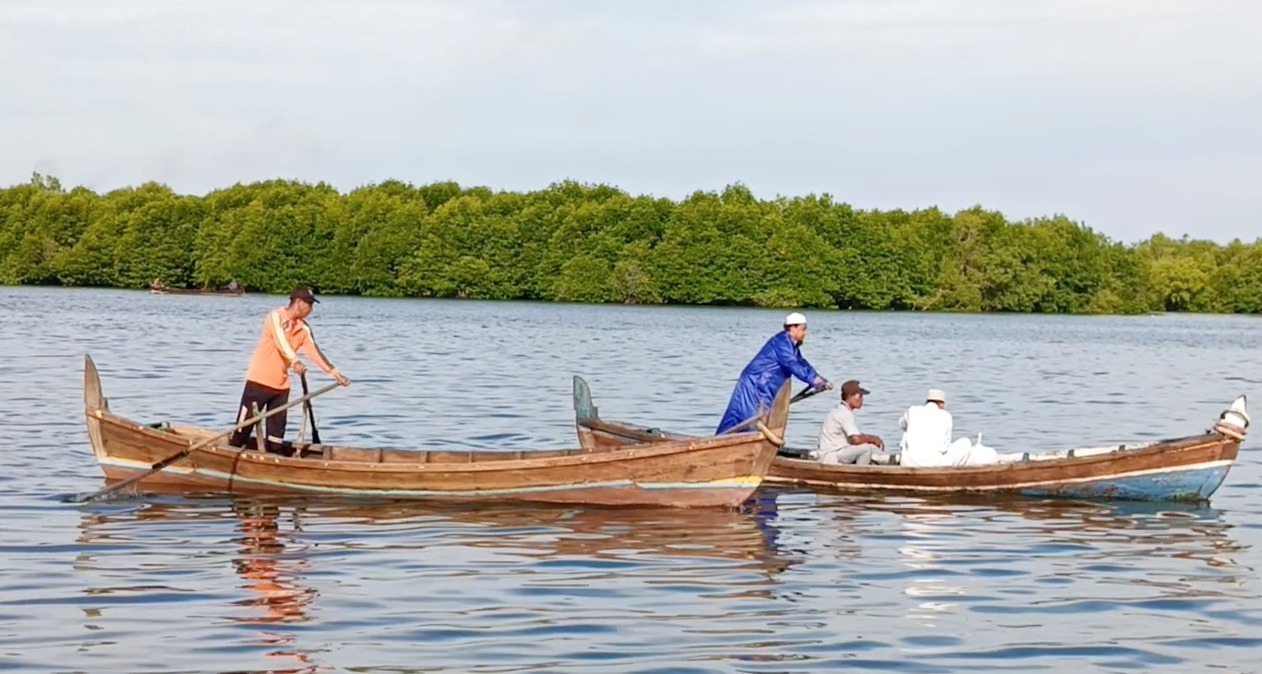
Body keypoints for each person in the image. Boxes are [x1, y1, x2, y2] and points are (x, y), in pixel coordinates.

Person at [229, 287, 350, 453]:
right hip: (259, 381)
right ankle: (233, 452)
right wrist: (294, 361)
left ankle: (274, 457)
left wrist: (335, 374)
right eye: (309, 305)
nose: (311, 310)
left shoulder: (303, 328)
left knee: (276, 436)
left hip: (281, 386)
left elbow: (315, 352)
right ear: (299, 303)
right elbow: (281, 342)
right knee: (243, 430)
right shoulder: (275, 317)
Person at [715, 312, 831, 434]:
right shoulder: (781, 343)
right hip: (756, 383)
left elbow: (801, 362)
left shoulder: (791, 345)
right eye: (803, 329)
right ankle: (722, 442)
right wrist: (814, 380)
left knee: (753, 416)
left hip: (765, 384)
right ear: (793, 328)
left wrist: (816, 377)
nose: (805, 333)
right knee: (748, 415)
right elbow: (792, 364)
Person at [897, 388, 998, 467]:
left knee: (906, 434)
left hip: (907, 463)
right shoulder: (946, 416)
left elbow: (902, 424)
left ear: (927, 401)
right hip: (933, 465)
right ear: (941, 404)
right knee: (965, 442)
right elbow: (945, 446)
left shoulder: (913, 410)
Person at [813, 380, 884, 465]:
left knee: (871, 447)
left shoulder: (840, 410)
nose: (862, 399)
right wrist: (873, 439)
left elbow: (853, 436)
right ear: (850, 396)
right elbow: (855, 439)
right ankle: (859, 475)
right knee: (866, 449)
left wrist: (870, 440)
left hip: (834, 453)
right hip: (831, 456)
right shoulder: (844, 413)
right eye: (860, 396)